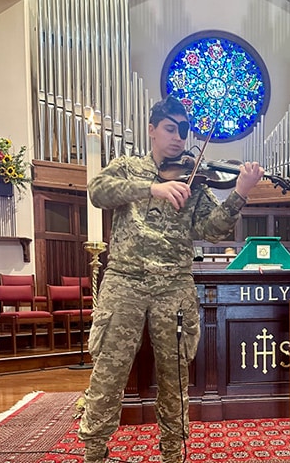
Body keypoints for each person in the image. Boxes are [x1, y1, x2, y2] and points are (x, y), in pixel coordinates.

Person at [77, 95, 264, 463]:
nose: (179, 138)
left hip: (174, 287)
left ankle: (172, 454)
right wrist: (151, 188)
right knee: (109, 372)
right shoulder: (128, 167)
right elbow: (97, 191)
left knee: (175, 376)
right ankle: (95, 453)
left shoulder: (194, 178)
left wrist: (240, 193)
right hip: (124, 282)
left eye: (184, 130)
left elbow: (212, 230)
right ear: (152, 130)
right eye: (170, 129)